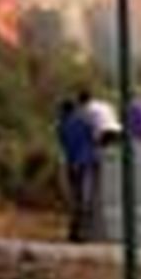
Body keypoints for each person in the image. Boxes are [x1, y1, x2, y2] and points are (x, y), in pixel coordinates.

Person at [57, 95, 100, 242]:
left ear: (64, 111)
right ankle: (83, 232)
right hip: (87, 162)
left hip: (73, 164)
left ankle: (75, 232)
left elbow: (64, 145)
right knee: (85, 198)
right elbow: (94, 138)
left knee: (76, 198)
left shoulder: (62, 125)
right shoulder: (84, 121)